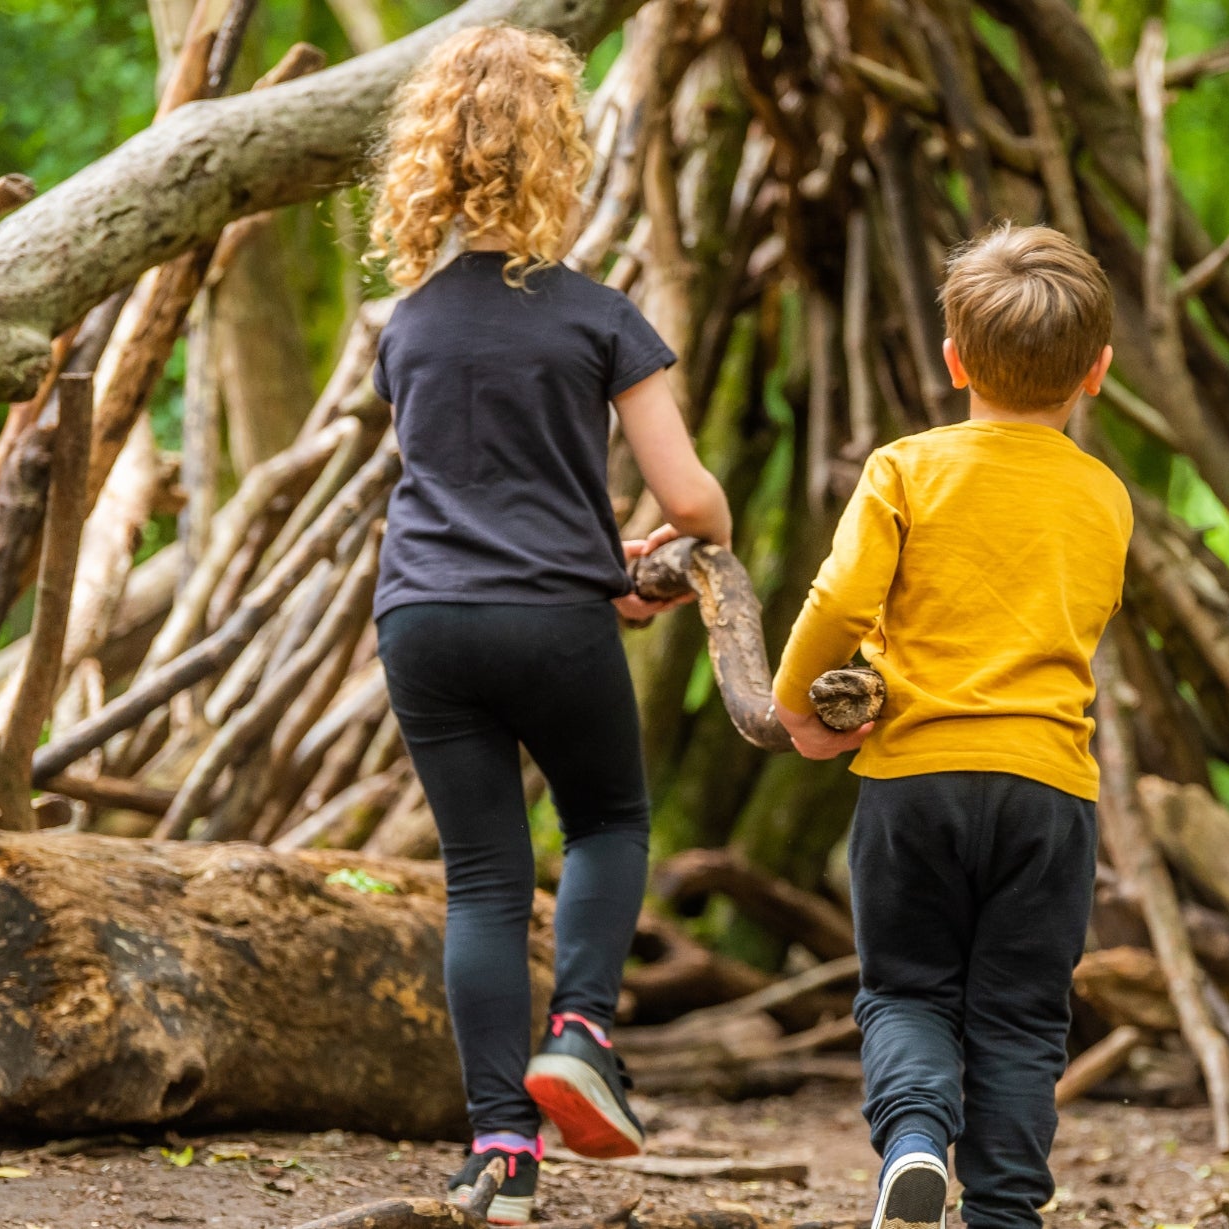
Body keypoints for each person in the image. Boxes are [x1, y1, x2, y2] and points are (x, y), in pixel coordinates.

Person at [364, 25, 732, 1226]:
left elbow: (460, 477)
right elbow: (685, 499)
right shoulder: (597, 318)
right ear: (556, 156)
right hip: (552, 619)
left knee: (480, 875)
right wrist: (665, 551)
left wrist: (582, 545)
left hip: (422, 616)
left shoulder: (406, 326)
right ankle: (579, 1029)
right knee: (610, 817)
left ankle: (498, 1153)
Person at [771, 224, 1133, 1229]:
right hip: (1048, 791)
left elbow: (843, 598)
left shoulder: (903, 469)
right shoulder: (1105, 499)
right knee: (1020, 1013)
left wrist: (797, 704)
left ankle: (917, 1142)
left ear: (953, 359)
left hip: (913, 781)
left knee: (906, 990)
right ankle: (1006, 1210)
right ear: (1096, 371)